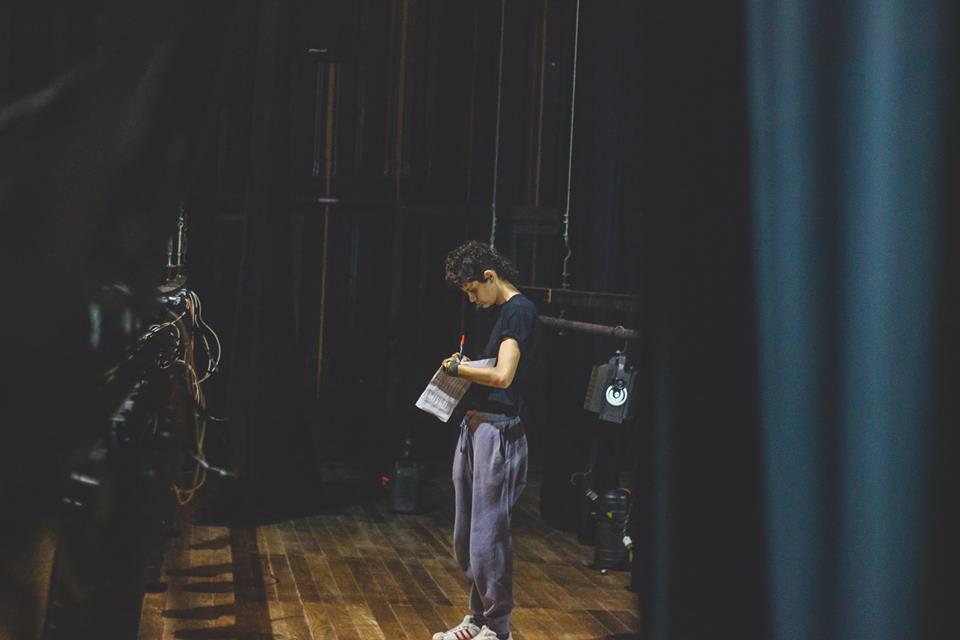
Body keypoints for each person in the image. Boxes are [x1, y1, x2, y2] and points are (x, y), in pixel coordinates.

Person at [433, 240, 537, 640]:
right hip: (474, 427)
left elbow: (503, 376)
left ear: (490, 276)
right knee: (466, 537)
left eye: (473, 290)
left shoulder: (519, 311)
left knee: (487, 538)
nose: (473, 299)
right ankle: (476, 617)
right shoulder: (493, 313)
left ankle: (497, 627)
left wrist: (459, 370)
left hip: (499, 431)